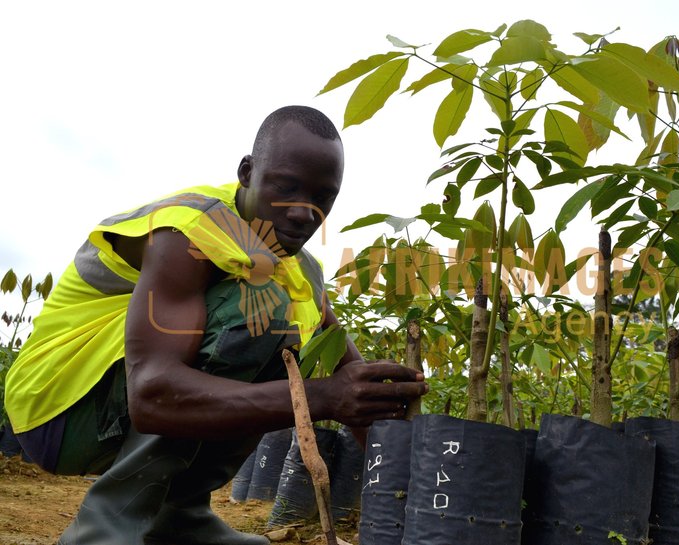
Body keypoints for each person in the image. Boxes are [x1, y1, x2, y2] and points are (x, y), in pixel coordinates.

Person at [4, 105, 428, 545]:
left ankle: (178, 516)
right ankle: (105, 529)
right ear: (247, 173)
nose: (304, 213)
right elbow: (152, 396)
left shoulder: (304, 272)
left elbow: (354, 379)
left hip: (124, 407)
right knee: (262, 312)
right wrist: (321, 397)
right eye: (286, 188)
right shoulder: (190, 231)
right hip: (60, 407)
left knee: (278, 322)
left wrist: (412, 475)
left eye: (322, 197)